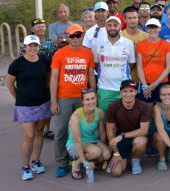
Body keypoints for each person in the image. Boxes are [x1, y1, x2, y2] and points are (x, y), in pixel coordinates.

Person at [50, 24, 96, 178]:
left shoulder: (87, 53)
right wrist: (53, 101)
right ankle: (62, 163)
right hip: (64, 97)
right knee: (62, 130)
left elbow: (90, 75)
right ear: (67, 37)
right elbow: (54, 78)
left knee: (82, 129)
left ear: (82, 35)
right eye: (72, 35)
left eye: (78, 35)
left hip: (82, 97)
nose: (76, 38)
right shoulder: (60, 54)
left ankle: (78, 158)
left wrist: (93, 95)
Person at [8, 35, 54, 180]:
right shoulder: (17, 64)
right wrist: (18, 98)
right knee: (29, 136)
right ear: (25, 47)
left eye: (35, 45)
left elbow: (48, 79)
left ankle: (36, 161)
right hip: (25, 105)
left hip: (42, 102)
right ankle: (25, 166)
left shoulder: (44, 61)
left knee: (39, 133)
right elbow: (10, 83)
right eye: (30, 45)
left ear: (38, 47)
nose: (33, 48)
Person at [106, 80, 151, 176]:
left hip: (136, 137)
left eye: (131, 91)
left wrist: (123, 135)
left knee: (141, 141)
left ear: (135, 92)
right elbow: (110, 131)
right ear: (121, 92)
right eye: (125, 91)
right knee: (116, 173)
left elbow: (144, 131)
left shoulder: (144, 106)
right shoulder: (113, 107)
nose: (128, 94)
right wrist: (116, 153)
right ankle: (123, 157)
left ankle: (135, 159)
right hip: (120, 141)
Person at [93, 16, 136, 113]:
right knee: (104, 119)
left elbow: (132, 63)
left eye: (115, 25)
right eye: (109, 25)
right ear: (106, 27)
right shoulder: (98, 44)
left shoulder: (128, 43)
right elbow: (96, 64)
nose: (112, 28)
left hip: (124, 88)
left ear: (120, 27)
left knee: (124, 118)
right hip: (104, 88)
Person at [66, 89, 110, 181]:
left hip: (93, 140)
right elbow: (77, 141)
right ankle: (77, 164)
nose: (91, 102)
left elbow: (102, 132)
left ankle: (93, 159)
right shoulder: (76, 116)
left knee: (106, 155)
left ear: (96, 98)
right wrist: (84, 162)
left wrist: (103, 147)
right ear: (82, 101)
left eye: (93, 98)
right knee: (96, 152)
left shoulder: (99, 112)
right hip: (75, 144)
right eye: (87, 99)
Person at [136, 18, 170, 104]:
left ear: (159, 29)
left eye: (155, 27)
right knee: (146, 109)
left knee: (161, 108)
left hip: (161, 82)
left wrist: (156, 83)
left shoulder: (166, 44)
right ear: (146, 29)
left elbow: (168, 67)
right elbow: (139, 67)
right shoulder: (141, 44)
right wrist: (145, 86)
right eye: (150, 27)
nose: (152, 30)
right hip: (145, 83)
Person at [121, 7, 148, 83]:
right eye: (129, 18)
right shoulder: (120, 37)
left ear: (138, 19)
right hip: (125, 79)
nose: (132, 20)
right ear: (125, 20)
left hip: (143, 79)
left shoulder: (146, 36)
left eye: (134, 18)